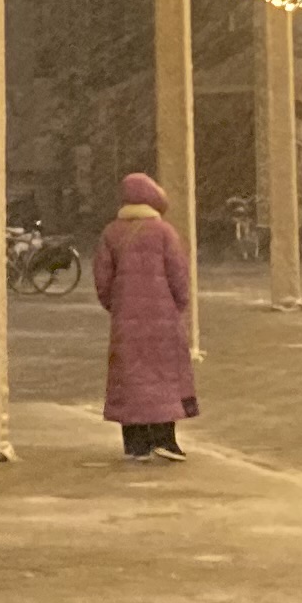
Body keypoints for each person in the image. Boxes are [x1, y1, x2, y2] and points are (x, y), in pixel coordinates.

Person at [95, 169, 197, 461]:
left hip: (125, 321)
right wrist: (177, 305)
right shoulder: (164, 232)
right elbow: (179, 276)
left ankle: (136, 443)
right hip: (163, 318)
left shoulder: (111, 233)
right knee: (163, 376)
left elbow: (103, 280)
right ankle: (165, 438)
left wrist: (117, 306)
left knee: (130, 377)